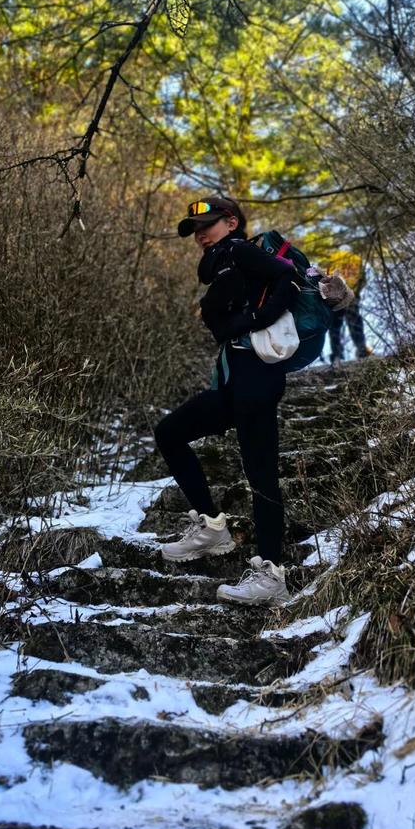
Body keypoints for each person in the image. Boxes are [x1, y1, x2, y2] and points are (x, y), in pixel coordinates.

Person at [154, 195, 300, 606]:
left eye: (209, 225)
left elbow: (287, 279)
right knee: (170, 432)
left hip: (258, 376)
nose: (200, 234)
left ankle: (272, 575)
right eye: (195, 230)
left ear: (232, 223)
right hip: (235, 382)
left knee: (261, 474)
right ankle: (211, 527)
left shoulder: (238, 250)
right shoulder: (221, 265)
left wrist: (254, 320)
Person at [326, 248, 372, 363]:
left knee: (335, 326)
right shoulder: (356, 259)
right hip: (351, 295)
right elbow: (363, 279)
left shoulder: (331, 260)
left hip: (335, 297)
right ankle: (362, 350)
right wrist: (356, 292)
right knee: (355, 323)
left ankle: (336, 355)